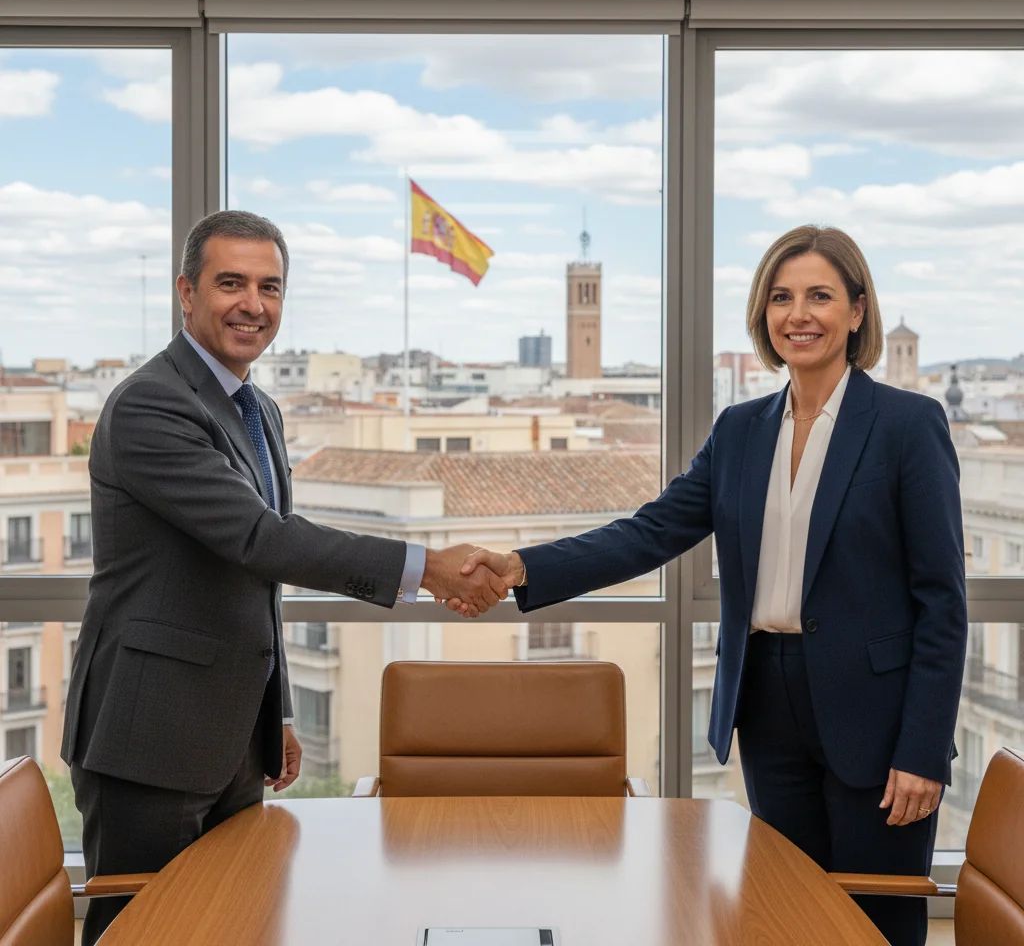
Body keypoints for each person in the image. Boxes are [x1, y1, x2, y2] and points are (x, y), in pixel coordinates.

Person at [450, 225, 967, 946]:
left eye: (820, 295)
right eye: (781, 297)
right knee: (784, 909)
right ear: (763, 315)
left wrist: (922, 748)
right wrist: (522, 566)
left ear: (856, 310)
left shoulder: (909, 426)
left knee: (874, 922)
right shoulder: (741, 429)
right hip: (767, 703)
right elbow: (649, 532)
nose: (799, 314)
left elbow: (942, 603)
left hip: (876, 714)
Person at [62, 210, 506, 946]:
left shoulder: (255, 406)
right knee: (143, 931)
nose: (253, 304)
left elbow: (250, 580)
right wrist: (426, 568)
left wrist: (282, 710)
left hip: (231, 731)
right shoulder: (151, 404)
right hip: (150, 736)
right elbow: (259, 539)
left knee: (231, 921)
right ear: (186, 293)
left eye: (270, 287)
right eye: (230, 282)